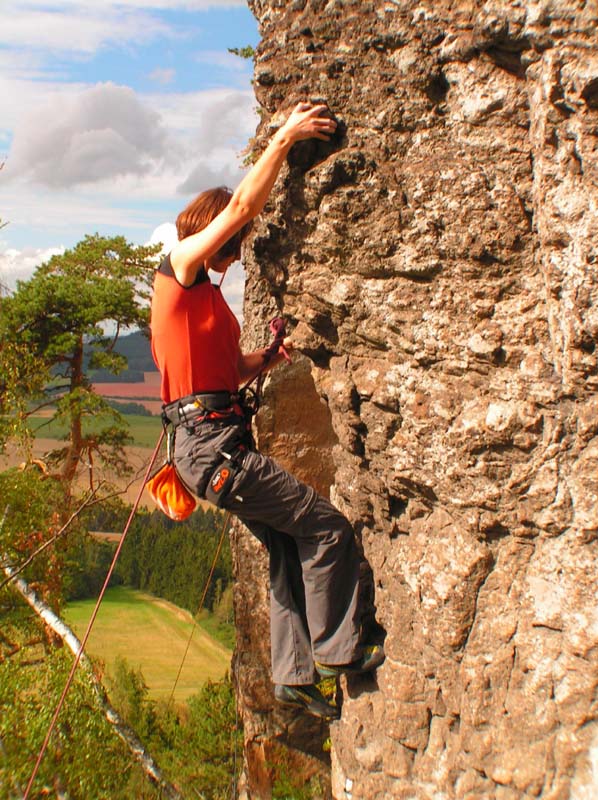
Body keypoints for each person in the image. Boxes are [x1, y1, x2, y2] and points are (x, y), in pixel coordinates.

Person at [151, 102, 384, 720]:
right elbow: (240, 209)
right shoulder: (177, 273)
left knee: (287, 548)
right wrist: (282, 138)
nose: (233, 259)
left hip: (213, 443)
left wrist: (272, 356)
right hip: (214, 448)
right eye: (231, 250)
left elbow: (227, 375)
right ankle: (339, 651)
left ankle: (293, 675)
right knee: (326, 528)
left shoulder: (203, 305)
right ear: (211, 237)